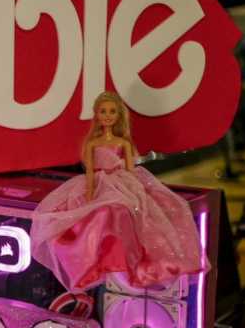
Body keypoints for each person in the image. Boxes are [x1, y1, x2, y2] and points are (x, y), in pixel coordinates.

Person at [29, 91, 205, 291]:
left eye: (112, 111)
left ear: (118, 115)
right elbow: (89, 172)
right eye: (103, 111)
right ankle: (96, 260)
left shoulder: (123, 143)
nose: (107, 115)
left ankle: (125, 259)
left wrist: (135, 192)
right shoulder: (92, 143)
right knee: (99, 216)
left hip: (122, 182)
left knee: (126, 212)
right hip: (99, 182)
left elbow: (130, 171)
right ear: (97, 114)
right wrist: (89, 194)